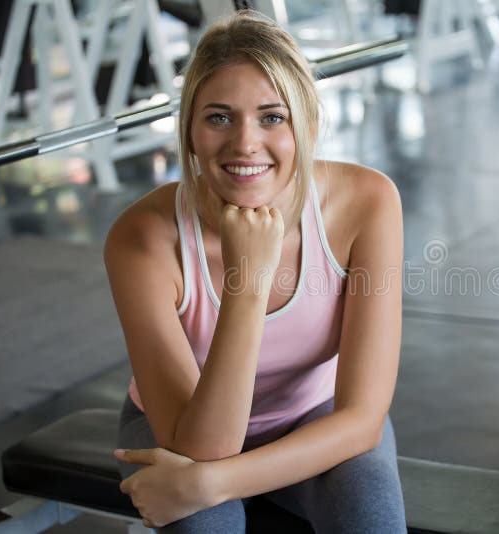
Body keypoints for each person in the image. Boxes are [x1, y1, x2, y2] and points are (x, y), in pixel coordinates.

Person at [104, 9, 405, 532]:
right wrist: (249, 278)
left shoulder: (368, 203)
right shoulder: (141, 239)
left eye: (272, 116)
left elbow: (360, 421)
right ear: (191, 130)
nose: (245, 143)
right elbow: (201, 447)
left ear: (307, 126)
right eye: (219, 117)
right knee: (203, 526)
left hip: (318, 419)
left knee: (370, 518)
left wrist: (209, 485)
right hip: (185, 429)